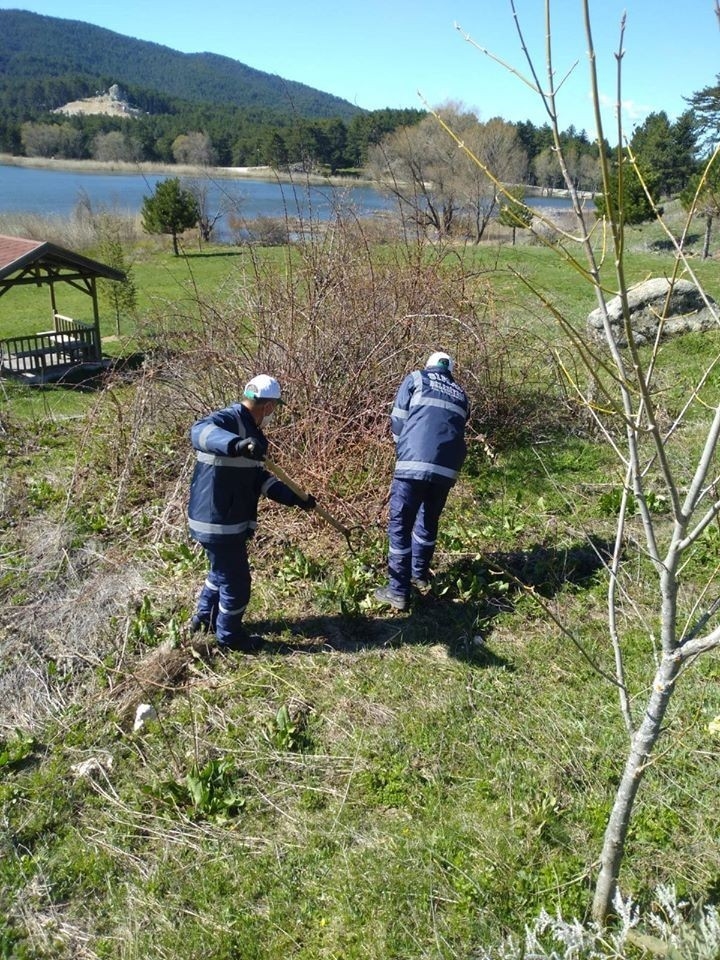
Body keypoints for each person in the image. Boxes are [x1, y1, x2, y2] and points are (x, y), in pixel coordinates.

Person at [187, 374, 316, 651]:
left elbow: (259, 480)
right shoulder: (229, 421)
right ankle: (230, 637)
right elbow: (199, 431)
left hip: (227, 519)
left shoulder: (255, 435)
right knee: (237, 581)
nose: (272, 414)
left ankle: (204, 619)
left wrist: (295, 498)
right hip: (216, 518)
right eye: (273, 409)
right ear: (268, 406)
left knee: (220, 572)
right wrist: (236, 445)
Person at [374, 351, 469, 612]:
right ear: (450, 370)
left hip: (412, 465)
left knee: (400, 525)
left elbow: (398, 420)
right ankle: (419, 575)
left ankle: (397, 591)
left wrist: (403, 448)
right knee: (428, 521)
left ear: (428, 366)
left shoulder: (416, 379)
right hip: (446, 470)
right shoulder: (461, 394)